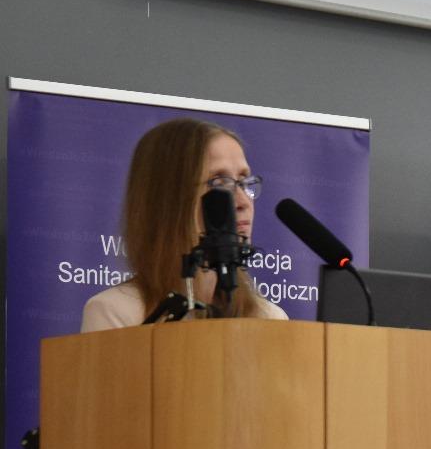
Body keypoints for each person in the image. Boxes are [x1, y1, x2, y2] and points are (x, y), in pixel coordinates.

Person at [81, 118, 287, 331]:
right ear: (169, 199)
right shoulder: (117, 312)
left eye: (244, 182)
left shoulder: (270, 318)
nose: (243, 202)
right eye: (220, 183)